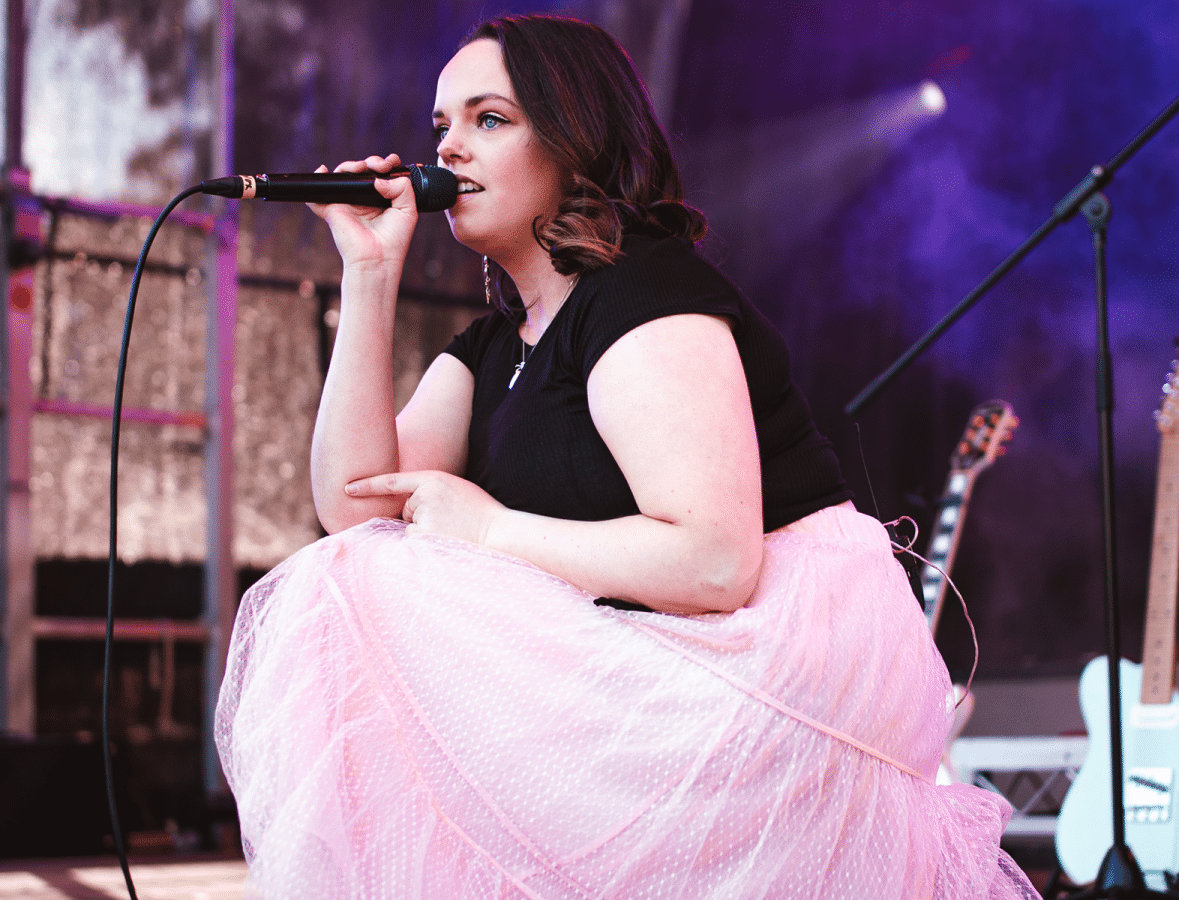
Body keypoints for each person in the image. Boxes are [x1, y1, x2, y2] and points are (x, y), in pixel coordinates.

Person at [216, 14, 1040, 900]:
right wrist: (368, 275)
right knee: (346, 581)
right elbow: (354, 507)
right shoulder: (498, 345)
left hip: (759, 679)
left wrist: (488, 530)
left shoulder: (647, 297)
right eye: (441, 126)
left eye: (489, 120)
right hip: (649, 672)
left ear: (574, 143)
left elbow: (715, 561)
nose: (449, 148)